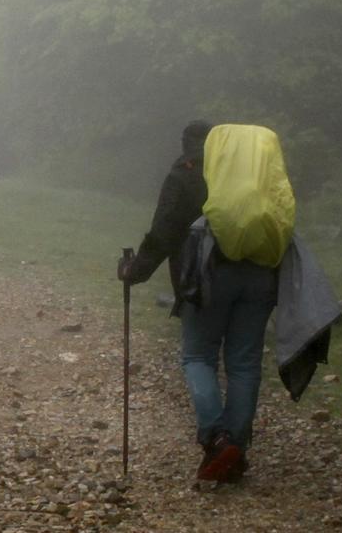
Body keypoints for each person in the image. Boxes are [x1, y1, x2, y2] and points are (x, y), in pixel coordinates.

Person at [118, 119, 276, 482]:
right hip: (261, 272)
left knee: (198, 355)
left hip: (208, 278)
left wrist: (135, 270)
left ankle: (217, 440)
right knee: (245, 363)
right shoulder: (249, 171)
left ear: (187, 145)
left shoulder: (185, 175)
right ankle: (235, 446)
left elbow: (163, 232)